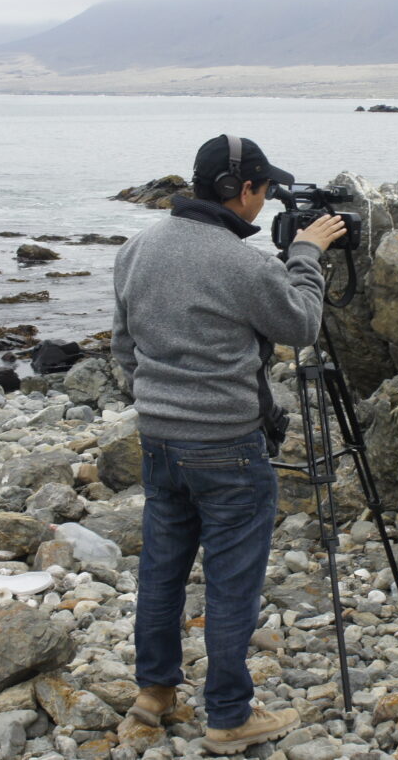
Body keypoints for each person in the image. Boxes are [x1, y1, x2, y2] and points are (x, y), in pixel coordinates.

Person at [112, 134, 345, 755]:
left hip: (158, 439)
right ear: (242, 190)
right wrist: (306, 253)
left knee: (161, 572)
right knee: (232, 582)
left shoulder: (138, 247)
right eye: (263, 190)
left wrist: (161, 398)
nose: (266, 201)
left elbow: (123, 349)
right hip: (227, 446)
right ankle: (228, 716)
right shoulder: (244, 263)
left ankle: (154, 692)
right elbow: (301, 326)